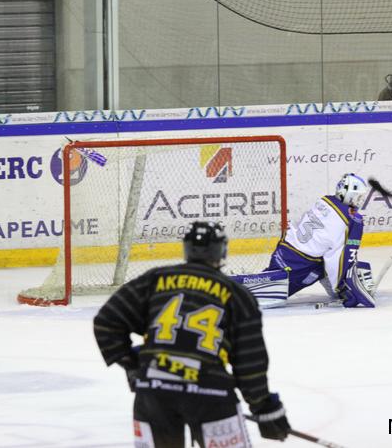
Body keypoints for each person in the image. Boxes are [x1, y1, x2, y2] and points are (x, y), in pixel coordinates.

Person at [94, 221, 290, 448]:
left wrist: (135, 364)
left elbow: (106, 322)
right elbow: (250, 361)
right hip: (211, 393)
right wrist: (263, 407)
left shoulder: (156, 279)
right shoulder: (237, 295)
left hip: (154, 390)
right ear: (222, 250)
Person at [231, 173, 376, 308]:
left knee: (318, 258)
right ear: (348, 194)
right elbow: (336, 258)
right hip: (301, 264)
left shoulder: (325, 200)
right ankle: (236, 288)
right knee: (261, 295)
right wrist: (341, 288)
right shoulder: (349, 220)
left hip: (285, 248)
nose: (360, 201)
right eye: (358, 197)